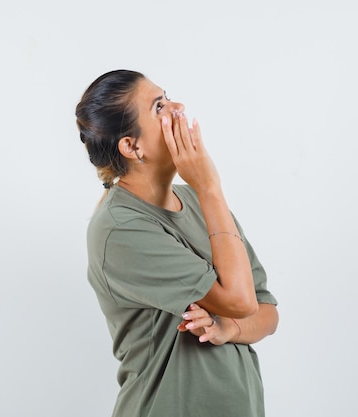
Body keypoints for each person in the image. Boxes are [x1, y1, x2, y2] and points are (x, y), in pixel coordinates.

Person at [75, 69, 279, 417]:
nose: (178, 107)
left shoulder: (200, 202)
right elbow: (240, 300)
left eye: (167, 97)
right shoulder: (120, 229)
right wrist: (210, 185)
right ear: (132, 146)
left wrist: (227, 328)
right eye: (159, 107)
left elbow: (267, 312)